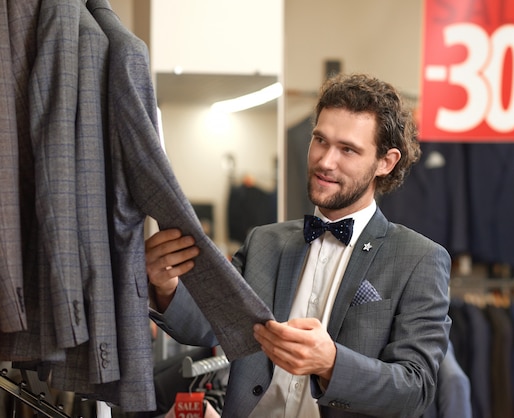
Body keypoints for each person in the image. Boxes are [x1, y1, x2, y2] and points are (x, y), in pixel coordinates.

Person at [146, 73, 452, 418]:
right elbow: (205, 324)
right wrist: (166, 283)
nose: (325, 160)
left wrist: (332, 363)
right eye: (320, 140)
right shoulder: (264, 241)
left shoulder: (419, 259)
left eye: (347, 149)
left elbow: (416, 388)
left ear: (386, 162)